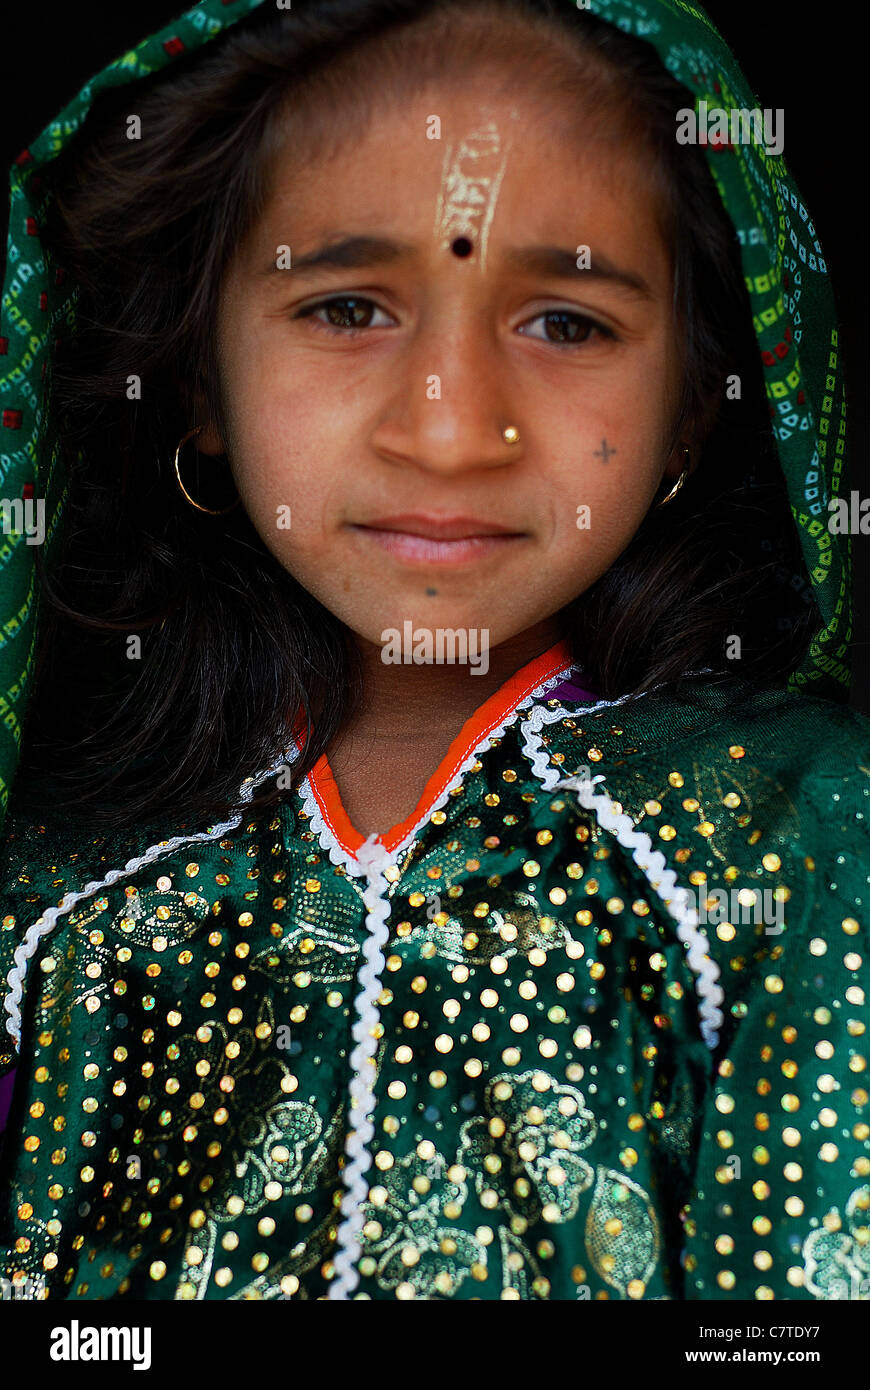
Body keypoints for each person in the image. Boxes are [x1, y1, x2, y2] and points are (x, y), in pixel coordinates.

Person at [0, 0, 866, 1303]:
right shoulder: (53, 885)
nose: (449, 431)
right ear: (197, 381)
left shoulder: (797, 831)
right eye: (346, 306)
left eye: (565, 322)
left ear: (693, 399)